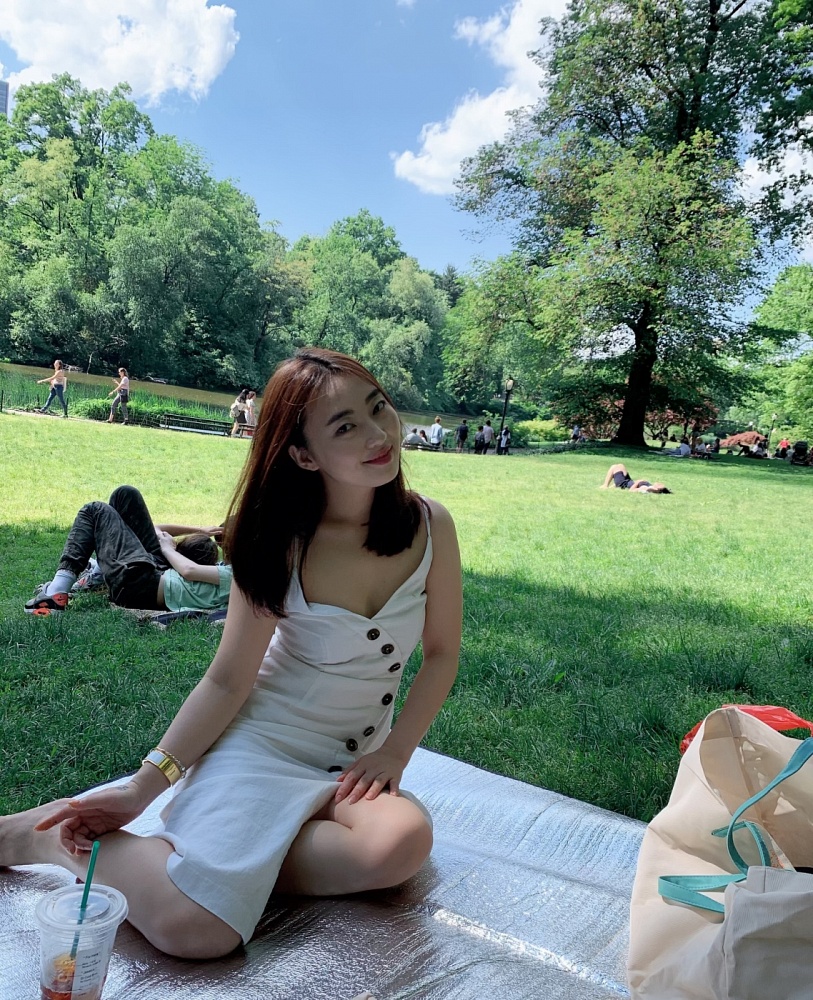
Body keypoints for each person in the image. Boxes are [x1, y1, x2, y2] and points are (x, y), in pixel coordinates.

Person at [3, 348, 462, 962]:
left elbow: (441, 654)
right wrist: (143, 788)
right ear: (303, 454)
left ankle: (227, 868)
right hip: (261, 746)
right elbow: (226, 682)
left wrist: (396, 752)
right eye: (345, 426)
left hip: (347, 769)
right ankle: (51, 839)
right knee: (196, 931)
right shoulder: (276, 541)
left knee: (401, 843)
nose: (379, 435)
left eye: (378, 408)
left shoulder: (430, 525)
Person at [24, 486, 230, 616]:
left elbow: (189, 571)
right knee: (126, 495)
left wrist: (168, 549)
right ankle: (100, 576)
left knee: (94, 510)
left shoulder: (237, 577)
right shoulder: (222, 568)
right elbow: (156, 529)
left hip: (142, 585)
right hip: (156, 573)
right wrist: (200, 530)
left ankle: (55, 594)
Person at [600, 463, 671, 493]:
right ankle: (609, 487)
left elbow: (631, 490)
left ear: (658, 489)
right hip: (628, 480)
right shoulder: (650, 486)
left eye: (660, 485)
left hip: (623, 483)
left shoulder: (647, 489)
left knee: (614, 467)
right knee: (620, 465)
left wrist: (638, 481)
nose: (659, 483)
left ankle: (605, 486)